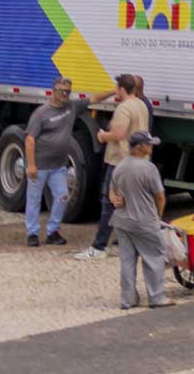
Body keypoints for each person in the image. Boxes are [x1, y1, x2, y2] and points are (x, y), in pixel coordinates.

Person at [75, 72, 148, 260]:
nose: (116, 91)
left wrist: (102, 136)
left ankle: (98, 247)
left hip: (120, 162)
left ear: (122, 89)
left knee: (109, 202)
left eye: (116, 88)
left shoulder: (123, 108)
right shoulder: (141, 105)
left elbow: (119, 134)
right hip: (139, 160)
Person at [107, 129, 172, 309]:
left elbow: (112, 191)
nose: (152, 147)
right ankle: (157, 298)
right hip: (144, 221)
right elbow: (160, 196)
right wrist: (158, 216)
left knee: (127, 261)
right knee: (154, 258)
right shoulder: (149, 168)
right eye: (149, 144)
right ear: (141, 147)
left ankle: (127, 300)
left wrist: (114, 199)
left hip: (121, 221)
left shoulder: (120, 166)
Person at [23, 76, 81, 247]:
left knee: (62, 196)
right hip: (40, 165)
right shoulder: (41, 113)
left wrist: (113, 91)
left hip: (58, 166)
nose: (65, 94)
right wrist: (31, 165)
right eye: (61, 91)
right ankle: (32, 233)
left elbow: (93, 99)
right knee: (34, 199)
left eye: (68, 92)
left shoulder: (71, 107)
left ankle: (52, 231)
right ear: (53, 91)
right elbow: (30, 140)